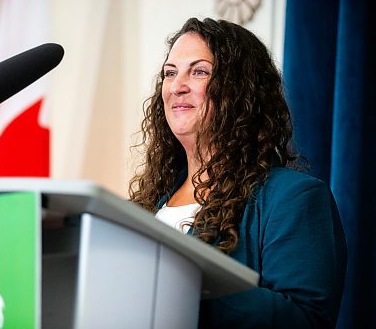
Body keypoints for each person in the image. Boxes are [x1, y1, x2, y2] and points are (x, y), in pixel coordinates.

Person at [129, 17, 347, 329]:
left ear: (239, 92)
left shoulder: (293, 197)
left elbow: (304, 318)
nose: (177, 86)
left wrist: (183, 280)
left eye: (199, 71)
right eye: (170, 73)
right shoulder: (147, 205)